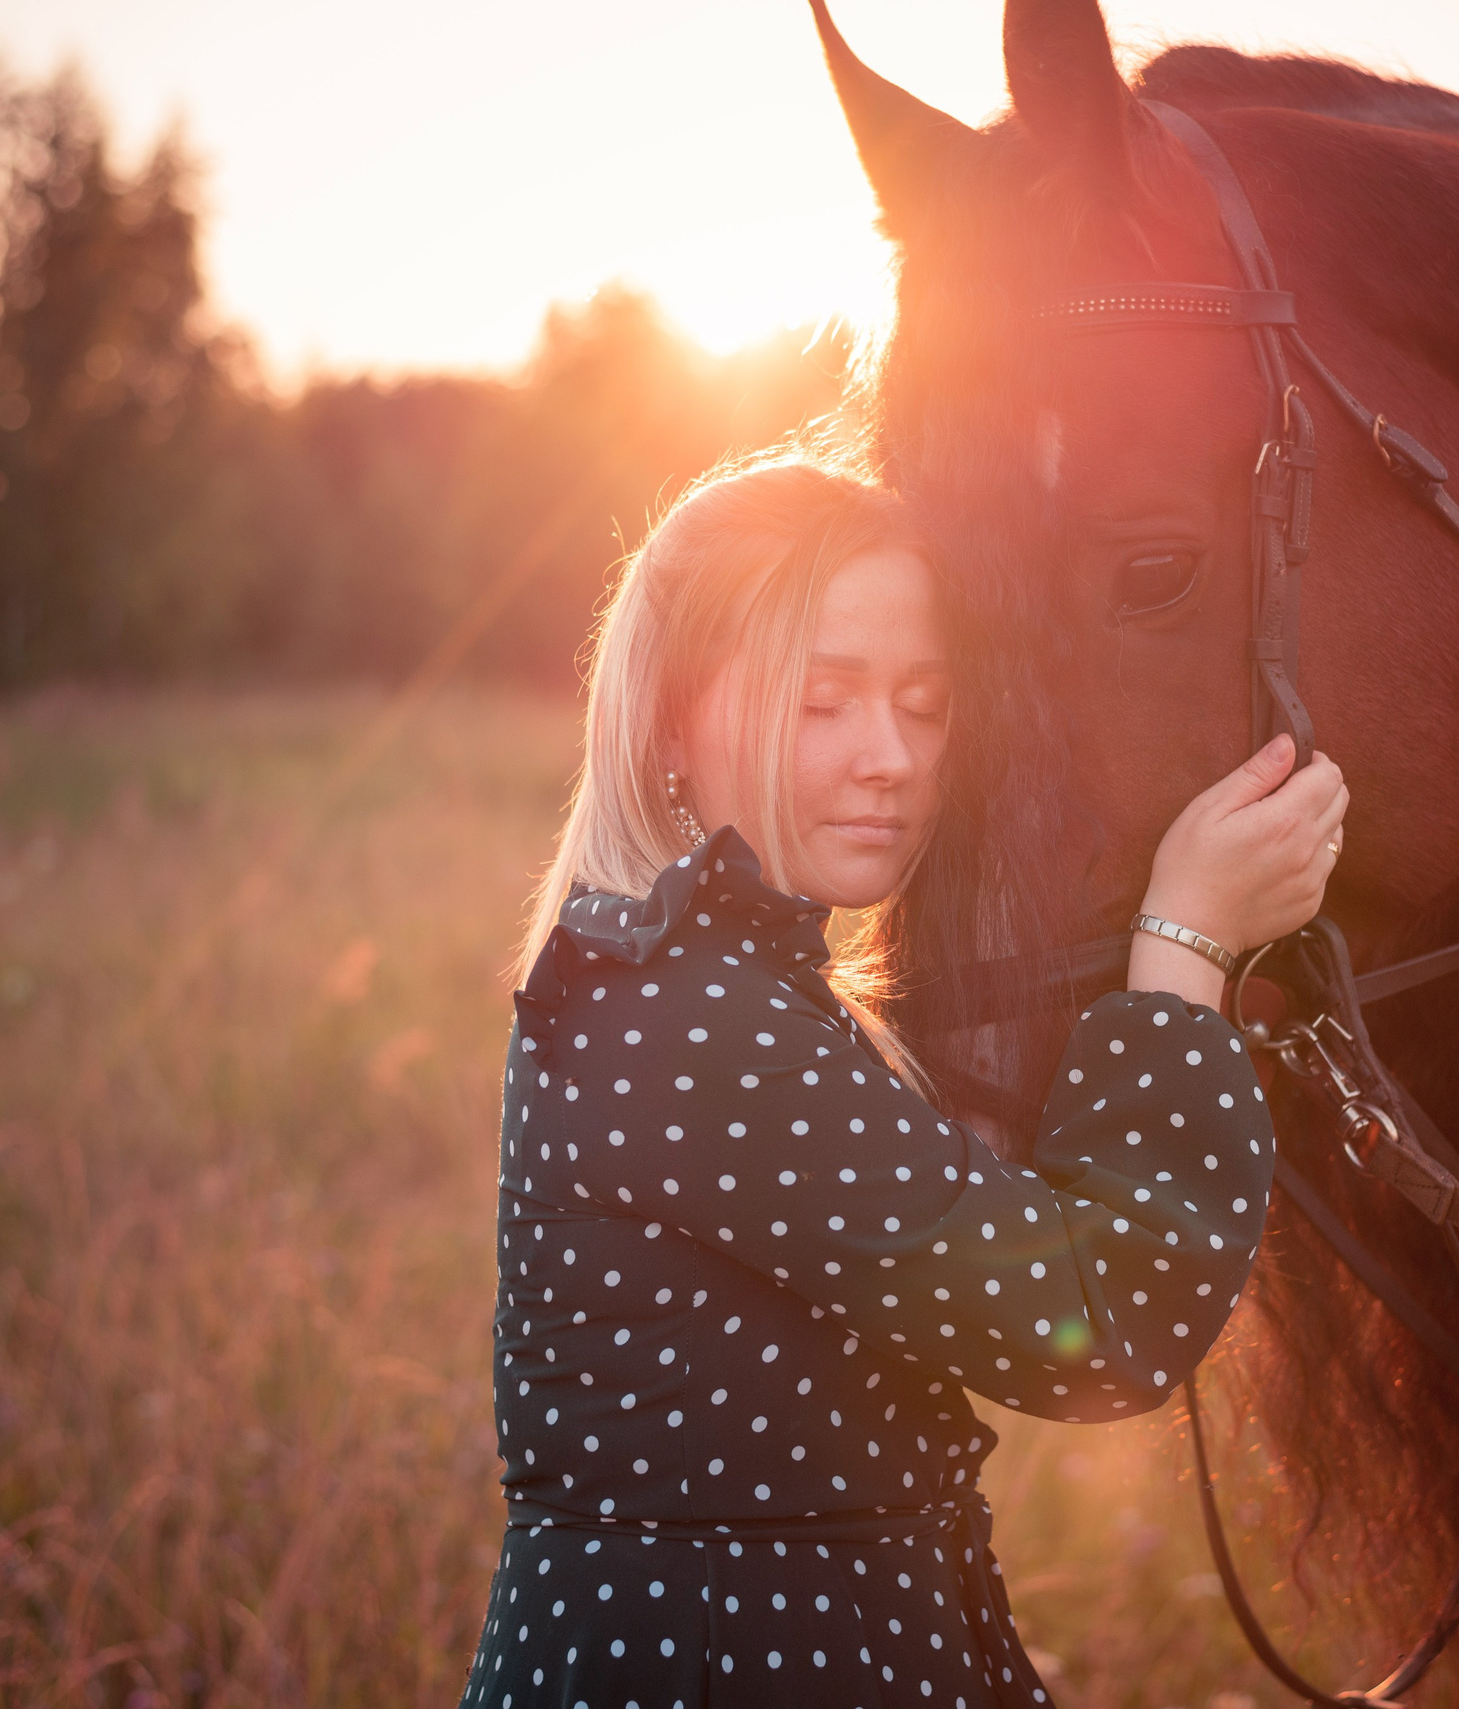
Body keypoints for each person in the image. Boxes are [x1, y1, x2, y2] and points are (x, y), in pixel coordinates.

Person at [460, 457, 1348, 1709]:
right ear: (671, 716)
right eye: (823, 702)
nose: (890, 756)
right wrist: (1187, 936)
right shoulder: (687, 1014)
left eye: (925, 704)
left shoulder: (693, 979)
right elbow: (1103, 1318)